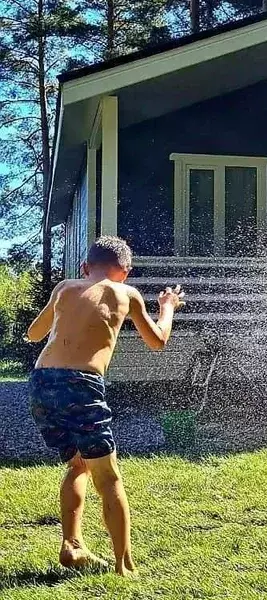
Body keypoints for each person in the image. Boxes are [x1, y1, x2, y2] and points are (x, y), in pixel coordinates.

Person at [26, 236, 185, 576]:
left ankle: (72, 545)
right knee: (108, 477)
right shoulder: (127, 294)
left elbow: (33, 333)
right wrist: (167, 306)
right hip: (81, 384)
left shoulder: (65, 288)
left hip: (41, 383)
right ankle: (124, 566)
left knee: (78, 465)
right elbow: (158, 341)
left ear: (85, 268)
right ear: (125, 272)